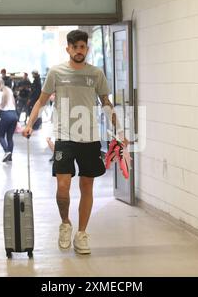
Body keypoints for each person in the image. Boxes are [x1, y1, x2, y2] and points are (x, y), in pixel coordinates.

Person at [22, 30, 128, 255]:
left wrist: (119, 131)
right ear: (68, 49)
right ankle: (65, 223)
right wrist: (30, 123)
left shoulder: (96, 74)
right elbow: (41, 101)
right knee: (62, 185)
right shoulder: (56, 72)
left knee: (86, 185)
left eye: (83, 47)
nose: (79, 51)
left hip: (89, 138)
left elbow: (106, 103)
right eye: (75, 47)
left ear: (87, 49)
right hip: (65, 136)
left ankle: (81, 234)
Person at [0, 78, 18, 162]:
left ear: (0, 85)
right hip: (14, 115)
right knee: (10, 137)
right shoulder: (9, 91)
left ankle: (7, 151)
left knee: (0, 135)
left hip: (6, 115)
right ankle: (10, 157)